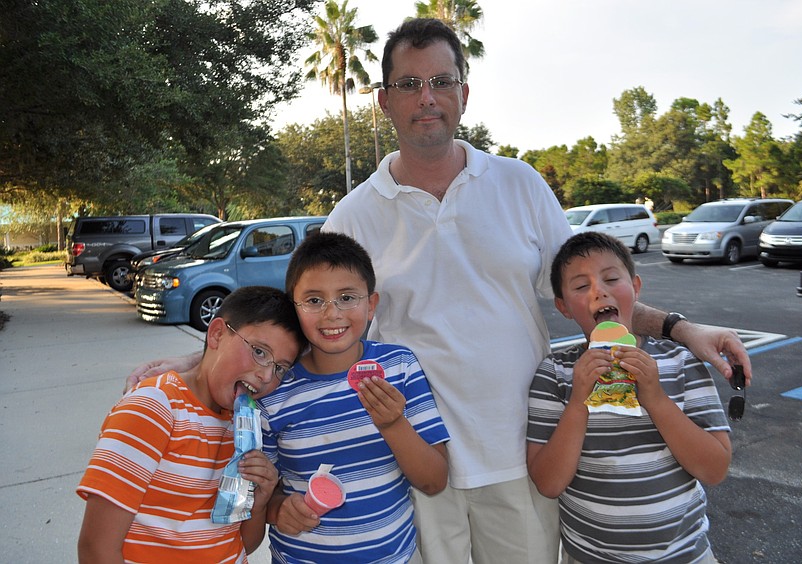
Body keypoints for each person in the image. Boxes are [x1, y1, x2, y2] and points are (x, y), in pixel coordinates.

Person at [125, 18, 751, 563]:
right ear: (384, 102)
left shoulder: (520, 185)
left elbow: (594, 296)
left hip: (524, 457)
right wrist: (198, 358)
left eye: (441, 82)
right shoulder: (353, 215)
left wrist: (685, 328)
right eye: (409, 85)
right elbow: (301, 319)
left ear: (464, 94)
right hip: (411, 466)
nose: (427, 98)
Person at [527, 232, 732, 563]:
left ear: (635, 288)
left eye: (611, 278)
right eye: (581, 286)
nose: (599, 290)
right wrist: (579, 399)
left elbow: (715, 469)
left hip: (686, 554)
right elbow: (548, 483)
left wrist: (655, 398)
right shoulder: (556, 374)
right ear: (563, 307)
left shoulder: (680, 362)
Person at [79, 286, 308, 563]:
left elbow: (243, 544)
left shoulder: (243, 429)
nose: (265, 375)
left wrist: (259, 501)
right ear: (217, 334)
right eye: (259, 352)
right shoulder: (152, 408)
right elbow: (96, 548)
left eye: (279, 368)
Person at [261, 231, 450, 563]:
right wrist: (277, 509)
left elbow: (434, 481)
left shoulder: (399, 367)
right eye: (314, 300)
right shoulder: (275, 390)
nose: (332, 314)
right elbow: (263, 489)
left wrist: (393, 423)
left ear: (371, 304)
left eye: (347, 297)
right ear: (294, 306)